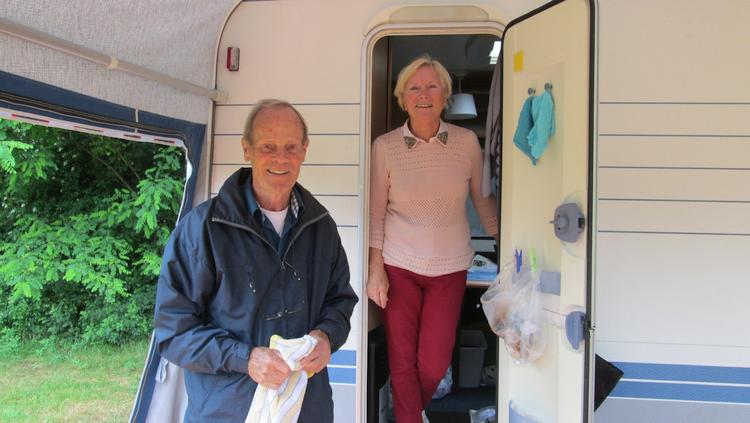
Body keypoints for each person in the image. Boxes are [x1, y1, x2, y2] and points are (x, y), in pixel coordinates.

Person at [154, 99, 358, 422]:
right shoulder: (203, 229)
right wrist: (245, 358)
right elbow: (174, 332)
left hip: (306, 410)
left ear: (305, 149)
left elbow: (340, 301)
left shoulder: (321, 226)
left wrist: (326, 336)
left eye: (291, 146)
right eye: (268, 146)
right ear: (246, 149)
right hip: (226, 412)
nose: (281, 157)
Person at [368, 56, 498, 423]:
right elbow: (376, 212)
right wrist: (375, 268)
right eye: (414, 87)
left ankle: (412, 411)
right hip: (398, 267)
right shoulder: (385, 147)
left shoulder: (466, 142)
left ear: (445, 96)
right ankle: (411, 417)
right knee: (402, 359)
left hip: (450, 267)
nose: (423, 95)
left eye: (432, 87)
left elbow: (482, 198)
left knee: (434, 361)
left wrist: (506, 237)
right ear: (402, 97)